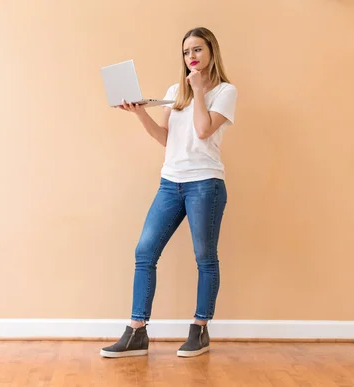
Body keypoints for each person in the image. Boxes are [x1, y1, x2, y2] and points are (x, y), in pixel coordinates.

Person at [100, 27, 238, 358]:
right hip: (170, 183)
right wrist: (139, 113)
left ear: (211, 52)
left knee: (205, 257)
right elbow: (166, 139)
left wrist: (200, 91)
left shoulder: (224, 91)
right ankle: (136, 332)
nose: (192, 56)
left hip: (206, 183)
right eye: (187, 51)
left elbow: (204, 130)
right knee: (145, 252)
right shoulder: (175, 91)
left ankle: (200, 329)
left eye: (198, 50)